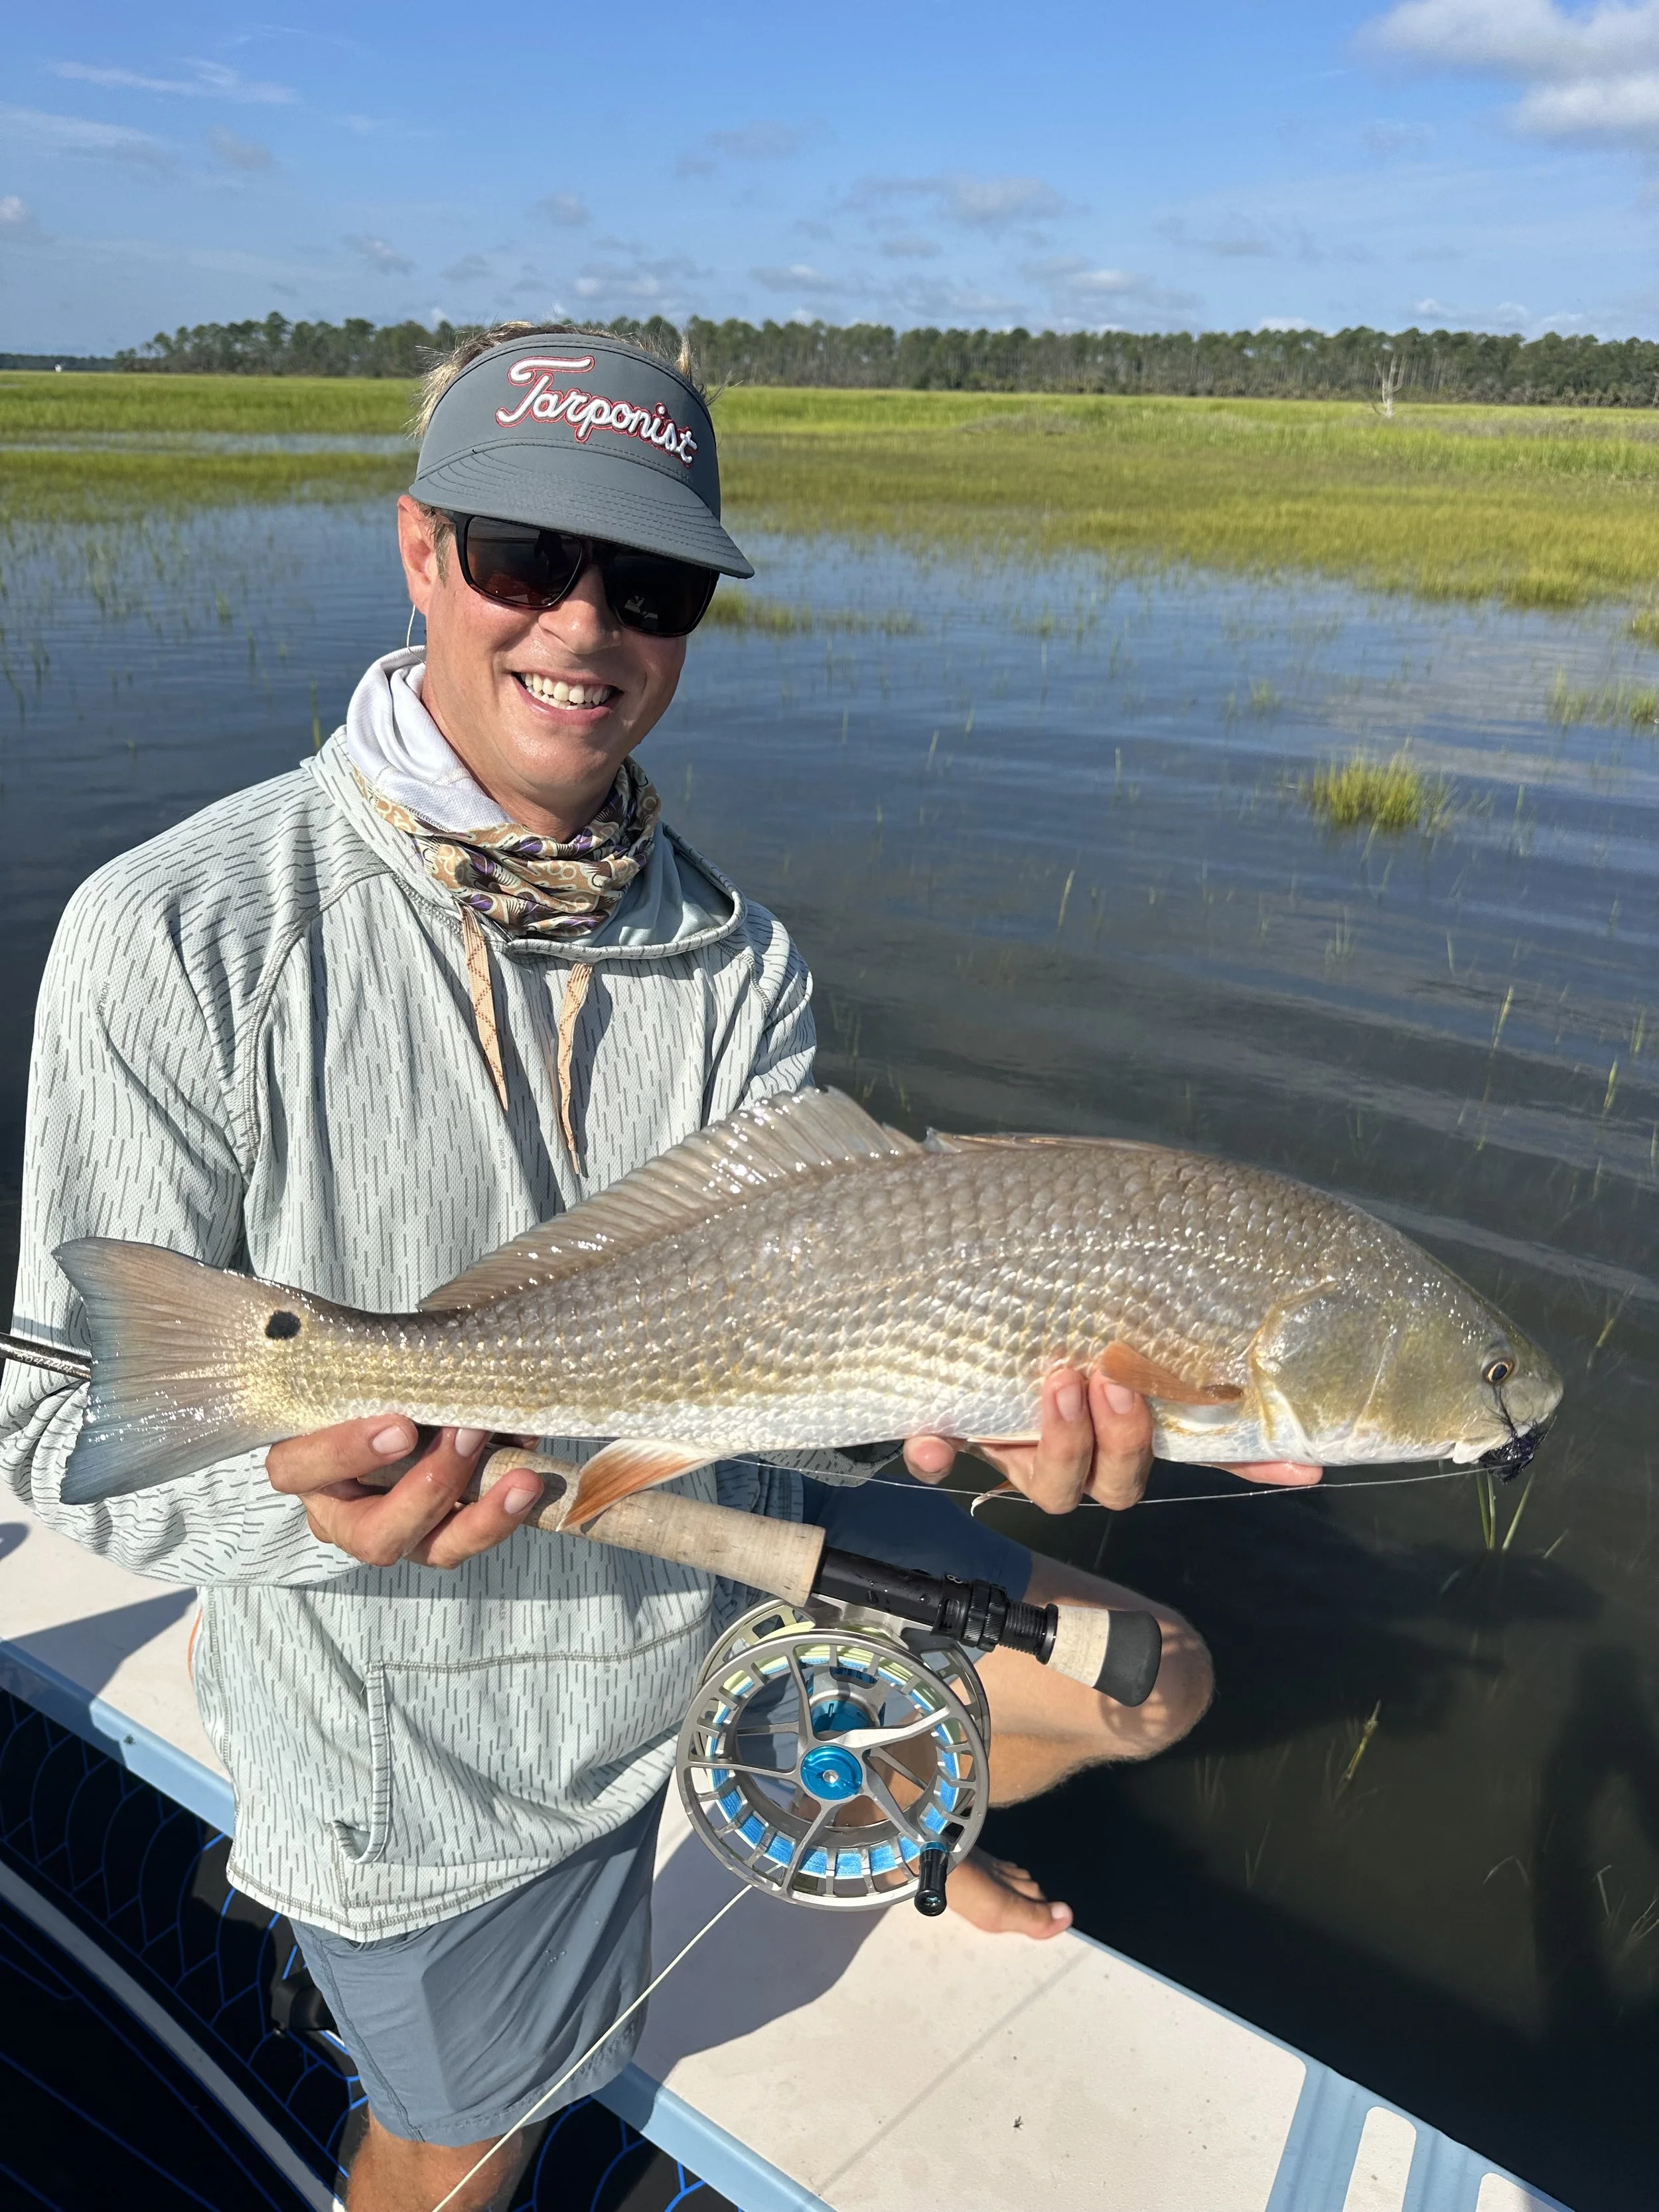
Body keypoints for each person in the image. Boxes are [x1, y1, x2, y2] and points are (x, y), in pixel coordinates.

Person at [0, 322, 1319, 2212]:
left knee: (1154, 1673)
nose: (584, 626)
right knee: (466, 2147)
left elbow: (790, 1362)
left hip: (721, 1545)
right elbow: (62, 1446)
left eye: (653, 580)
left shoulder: (742, 960)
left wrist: (967, 1412)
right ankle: (801, 1835)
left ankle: (853, 1826)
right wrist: (310, 1519)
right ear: (417, 551)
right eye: (523, 558)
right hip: (441, 1739)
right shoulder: (175, 933)